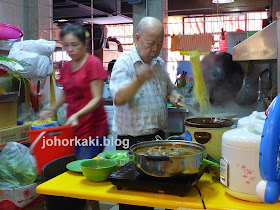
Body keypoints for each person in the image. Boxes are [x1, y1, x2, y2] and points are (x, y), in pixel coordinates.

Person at [109, 17, 186, 210]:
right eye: (151, 43)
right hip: (132, 142)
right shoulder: (124, 64)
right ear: (137, 38)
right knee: (133, 200)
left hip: (158, 140)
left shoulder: (158, 63)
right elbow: (118, 98)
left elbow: (170, 90)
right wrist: (139, 80)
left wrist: (174, 96)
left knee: (151, 196)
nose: (156, 49)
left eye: (159, 44)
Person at [39, 24, 108, 160]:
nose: (70, 49)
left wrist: (77, 115)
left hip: (93, 130)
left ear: (84, 44)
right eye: (66, 45)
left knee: (83, 169)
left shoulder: (93, 64)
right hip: (74, 128)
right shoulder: (67, 66)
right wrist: (51, 109)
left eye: (74, 45)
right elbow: (67, 92)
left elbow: (97, 99)